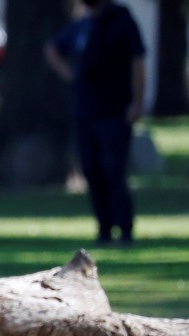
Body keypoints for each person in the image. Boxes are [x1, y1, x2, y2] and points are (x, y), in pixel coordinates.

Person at [45, 0, 146, 247]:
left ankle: (125, 230)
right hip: (85, 110)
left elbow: (138, 61)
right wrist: (72, 75)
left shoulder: (122, 21)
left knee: (114, 170)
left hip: (116, 109)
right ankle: (104, 229)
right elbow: (52, 48)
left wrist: (137, 102)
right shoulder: (83, 25)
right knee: (91, 169)